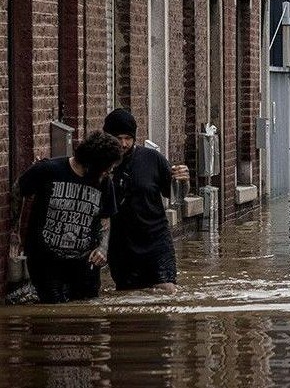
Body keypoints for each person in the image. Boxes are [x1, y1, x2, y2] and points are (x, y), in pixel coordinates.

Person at [8, 131, 122, 303]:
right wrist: (15, 232)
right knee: (53, 311)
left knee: (87, 314)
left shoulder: (104, 183)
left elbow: (105, 218)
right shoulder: (48, 170)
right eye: (106, 168)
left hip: (84, 262)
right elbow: (19, 189)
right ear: (92, 164)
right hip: (46, 260)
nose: (109, 172)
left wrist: (102, 248)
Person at [102, 109, 190, 293]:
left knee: (167, 290)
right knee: (128, 296)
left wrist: (183, 181)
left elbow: (175, 195)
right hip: (122, 246)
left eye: (128, 138)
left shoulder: (152, 159)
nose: (123, 144)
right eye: (118, 138)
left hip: (156, 240)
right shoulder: (101, 165)